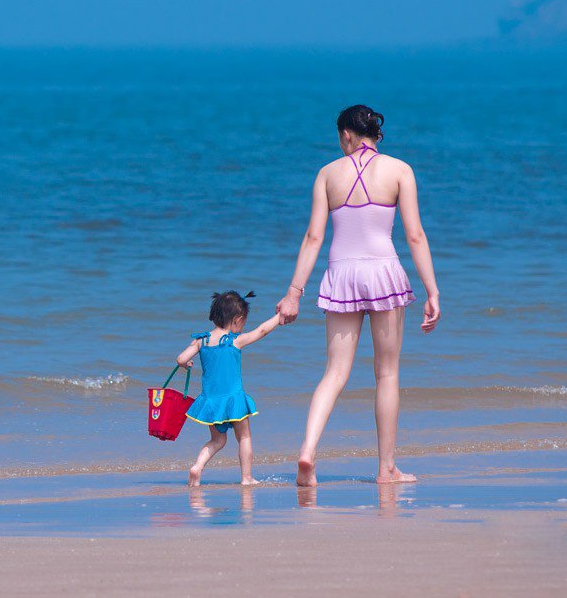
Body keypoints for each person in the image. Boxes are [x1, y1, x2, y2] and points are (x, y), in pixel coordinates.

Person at [276, 105, 440, 487]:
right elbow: (415, 235)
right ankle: (386, 470)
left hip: (342, 275)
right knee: (386, 373)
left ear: (346, 135)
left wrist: (293, 294)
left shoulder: (327, 174)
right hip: (383, 273)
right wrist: (432, 290)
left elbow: (314, 238)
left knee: (334, 373)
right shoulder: (400, 170)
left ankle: (307, 451)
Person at [176, 290, 284, 486]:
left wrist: (186, 365)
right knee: (244, 436)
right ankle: (246, 477)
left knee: (217, 441)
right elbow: (262, 330)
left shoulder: (202, 341)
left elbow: (181, 359)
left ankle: (197, 467)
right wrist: (279, 317)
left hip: (211, 401)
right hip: (234, 399)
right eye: (243, 323)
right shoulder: (235, 341)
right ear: (238, 319)